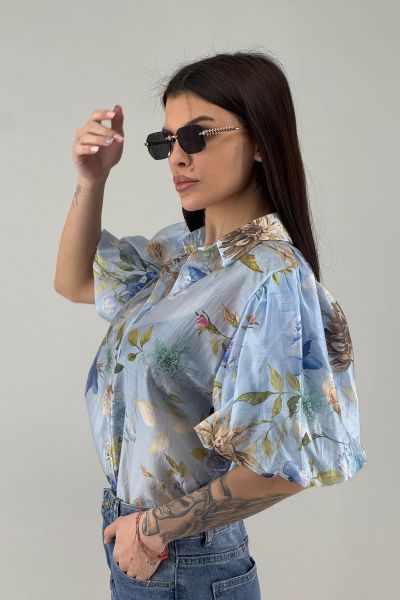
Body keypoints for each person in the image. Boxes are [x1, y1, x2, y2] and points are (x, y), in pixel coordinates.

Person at [54, 50, 367, 599]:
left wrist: (154, 530)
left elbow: (284, 465)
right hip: (144, 544)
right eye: (166, 141)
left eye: (197, 136)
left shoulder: (271, 278)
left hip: (182, 558)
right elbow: (75, 281)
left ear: (261, 141)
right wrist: (92, 180)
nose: (178, 157)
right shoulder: (181, 251)